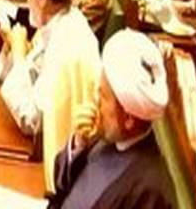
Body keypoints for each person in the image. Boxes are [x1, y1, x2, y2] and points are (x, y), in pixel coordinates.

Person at [0, 0, 100, 193]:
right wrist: (12, 45)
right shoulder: (65, 21)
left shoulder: (68, 42)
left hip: (55, 170)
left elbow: (32, 120)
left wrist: (19, 54)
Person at [49, 30, 177, 209]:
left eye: (103, 96)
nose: (95, 101)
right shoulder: (107, 133)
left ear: (128, 119)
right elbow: (61, 187)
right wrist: (79, 144)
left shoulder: (150, 192)